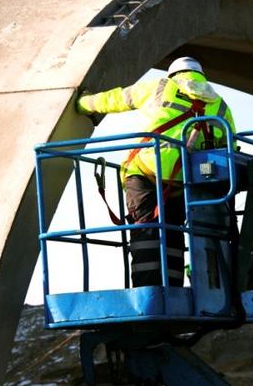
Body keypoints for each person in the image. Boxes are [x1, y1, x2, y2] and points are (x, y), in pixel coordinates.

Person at [76, 57, 235, 287]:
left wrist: (84, 104)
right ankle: (172, 290)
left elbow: (118, 99)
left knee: (146, 231)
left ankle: (149, 292)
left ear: (173, 74)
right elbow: (230, 148)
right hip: (184, 182)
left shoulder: (161, 86)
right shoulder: (220, 106)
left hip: (145, 172)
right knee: (172, 231)